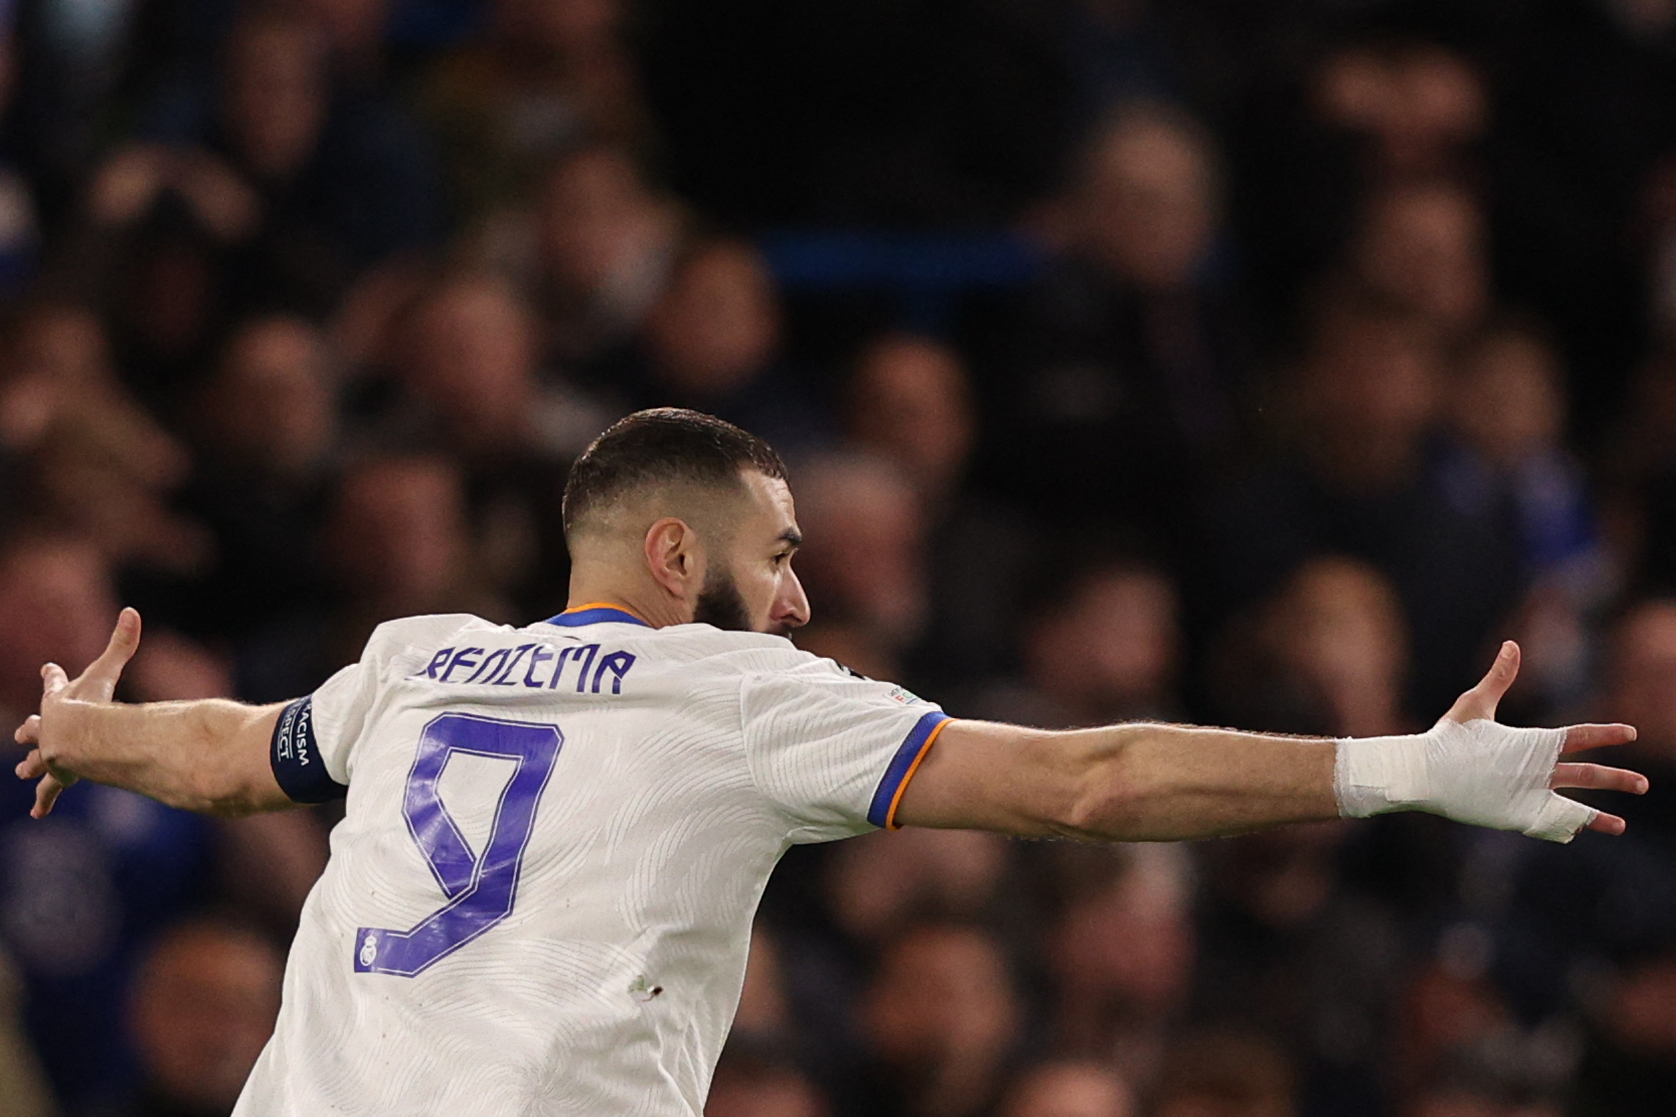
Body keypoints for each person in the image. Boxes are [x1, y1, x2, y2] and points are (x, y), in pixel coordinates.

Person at [9, 408, 1649, 1115]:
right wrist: (1393, 767)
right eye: (779, 554)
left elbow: (232, 752)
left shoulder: (417, 657)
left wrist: (85, 731)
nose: (799, 597)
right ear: (675, 553)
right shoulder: (744, 691)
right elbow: (1091, 779)